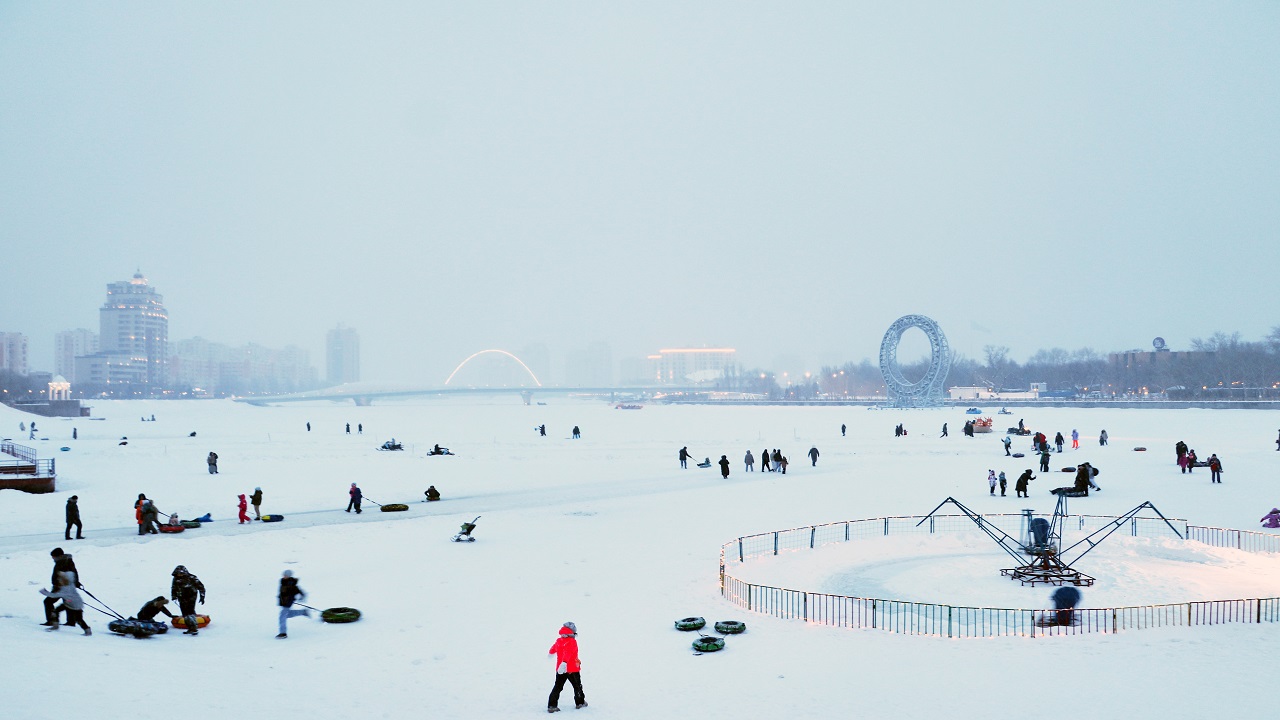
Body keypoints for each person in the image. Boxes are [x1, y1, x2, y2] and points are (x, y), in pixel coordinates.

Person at [547, 622, 586, 712]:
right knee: (577, 686)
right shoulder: (572, 641)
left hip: (560, 669)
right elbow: (568, 653)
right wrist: (564, 663)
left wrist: (551, 653)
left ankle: (552, 705)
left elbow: (553, 648)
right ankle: (580, 703)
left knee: (558, 686)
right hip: (572, 669)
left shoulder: (559, 640)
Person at [41, 564, 90, 635]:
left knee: (78, 619)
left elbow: (54, 595)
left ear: (65, 580)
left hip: (75, 605)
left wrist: (45, 592)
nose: (59, 580)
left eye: (60, 579)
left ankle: (87, 630)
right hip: (71, 602)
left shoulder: (65, 589)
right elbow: (71, 574)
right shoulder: (70, 584)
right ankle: (56, 625)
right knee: (56, 611)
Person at [42, 548, 80, 627]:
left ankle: (51, 621)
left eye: (53, 556)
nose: (52, 558)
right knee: (68, 602)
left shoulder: (63, 562)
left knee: (48, 602)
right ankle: (71, 622)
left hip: (61, 588)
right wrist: (76, 583)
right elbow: (74, 573)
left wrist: (57, 586)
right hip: (66, 588)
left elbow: (65, 576)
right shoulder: (66, 561)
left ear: (59, 556)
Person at [171, 565, 205, 635]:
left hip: (191, 597)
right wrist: (174, 596)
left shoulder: (192, 578)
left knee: (190, 612)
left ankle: (194, 628)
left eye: (181, 573)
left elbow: (201, 587)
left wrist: (202, 597)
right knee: (184, 613)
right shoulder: (175, 579)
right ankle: (190, 628)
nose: (179, 575)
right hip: (181, 597)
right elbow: (173, 588)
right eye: (178, 573)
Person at [276, 569, 310, 638]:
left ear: (289, 576)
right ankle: (303, 612)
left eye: (285, 575)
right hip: (283, 602)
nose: (284, 576)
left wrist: (301, 597)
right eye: (284, 575)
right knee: (288, 614)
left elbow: (299, 591)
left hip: (288, 602)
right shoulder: (283, 582)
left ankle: (283, 633)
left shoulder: (291, 584)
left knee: (282, 617)